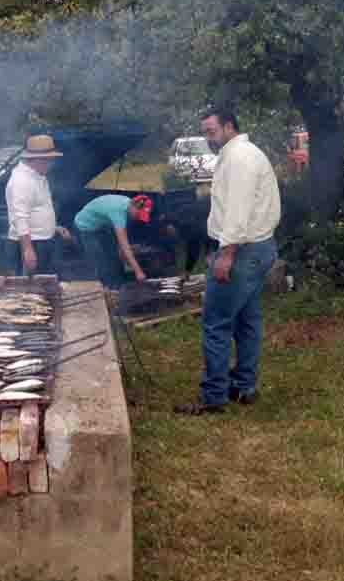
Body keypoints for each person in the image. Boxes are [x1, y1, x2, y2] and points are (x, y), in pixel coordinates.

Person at [175, 108, 281, 415]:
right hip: (258, 248)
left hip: (244, 251)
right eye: (205, 132)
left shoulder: (239, 159)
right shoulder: (242, 153)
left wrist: (227, 254)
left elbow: (238, 210)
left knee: (216, 324)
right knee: (247, 321)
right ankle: (243, 387)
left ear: (229, 126)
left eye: (211, 131)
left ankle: (213, 396)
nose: (208, 138)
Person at [0, 134, 70, 276]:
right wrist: (27, 250)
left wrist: (53, 227)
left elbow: (37, 208)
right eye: (48, 160)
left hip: (41, 241)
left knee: (43, 286)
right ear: (36, 159)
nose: (51, 164)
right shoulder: (22, 181)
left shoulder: (37, 176)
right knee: (29, 292)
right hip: (31, 243)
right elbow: (20, 217)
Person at [73, 194, 152, 287]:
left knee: (113, 257)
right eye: (138, 214)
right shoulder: (118, 211)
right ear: (134, 206)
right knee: (101, 262)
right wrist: (138, 271)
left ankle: (119, 284)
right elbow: (124, 245)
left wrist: (122, 252)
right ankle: (108, 290)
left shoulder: (128, 204)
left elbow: (120, 242)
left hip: (102, 227)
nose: (138, 218)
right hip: (84, 227)